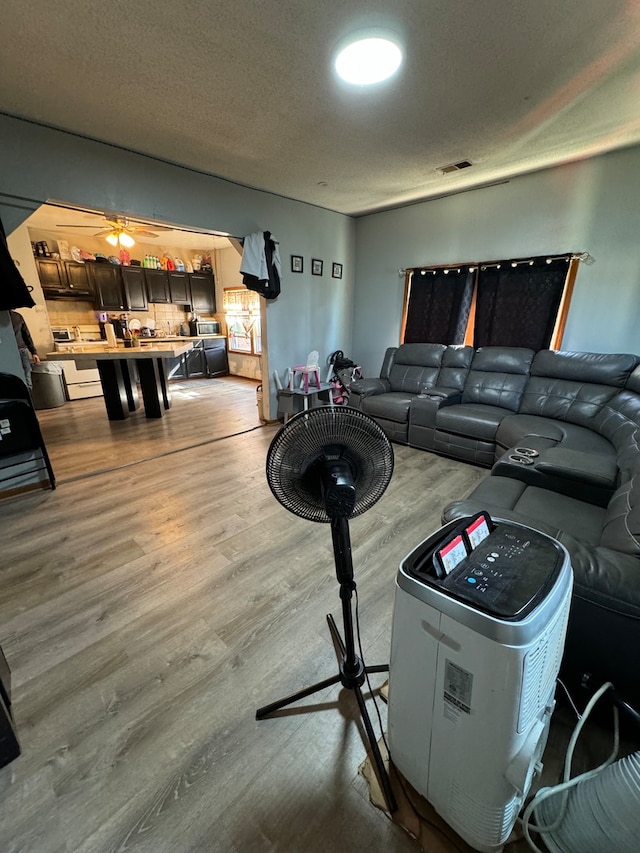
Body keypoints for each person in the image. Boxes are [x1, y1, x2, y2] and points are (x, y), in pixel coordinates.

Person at [10, 309, 40, 390]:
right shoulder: (16, 316)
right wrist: (33, 352)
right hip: (14, 350)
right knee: (24, 371)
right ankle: (25, 393)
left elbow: (26, 335)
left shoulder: (17, 316)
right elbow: (26, 335)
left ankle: (27, 393)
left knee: (25, 370)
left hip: (18, 350)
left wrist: (34, 352)